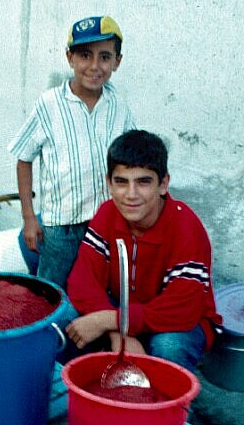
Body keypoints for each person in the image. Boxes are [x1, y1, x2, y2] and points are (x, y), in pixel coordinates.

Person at [64, 130, 221, 371]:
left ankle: (168, 395)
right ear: (109, 183)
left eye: (143, 182)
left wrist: (110, 320)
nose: (131, 195)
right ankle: (86, 384)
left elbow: (181, 309)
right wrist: (119, 332)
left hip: (178, 321)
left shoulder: (186, 228)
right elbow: (82, 281)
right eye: (121, 182)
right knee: (67, 315)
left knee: (169, 346)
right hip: (124, 309)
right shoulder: (107, 214)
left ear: (163, 184)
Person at [8, 15, 135, 289]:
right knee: (52, 289)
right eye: (85, 55)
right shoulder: (49, 104)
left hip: (104, 222)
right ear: (70, 58)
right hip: (61, 227)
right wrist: (29, 218)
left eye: (104, 57)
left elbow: (132, 158)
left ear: (117, 61)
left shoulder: (118, 106)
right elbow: (23, 159)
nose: (94, 66)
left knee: (97, 284)